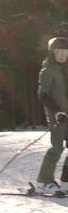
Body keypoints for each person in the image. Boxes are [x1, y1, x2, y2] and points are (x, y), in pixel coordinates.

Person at [34, 36, 68, 192]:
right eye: (58, 51)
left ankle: (66, 181)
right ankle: (43, 180)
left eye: (65, 52)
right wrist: (56, 112)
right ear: (52, 53)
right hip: (57, 117)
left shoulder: (66, 70)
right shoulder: (47, 71)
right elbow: (43, 95)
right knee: (56, 148)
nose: (62, 55)